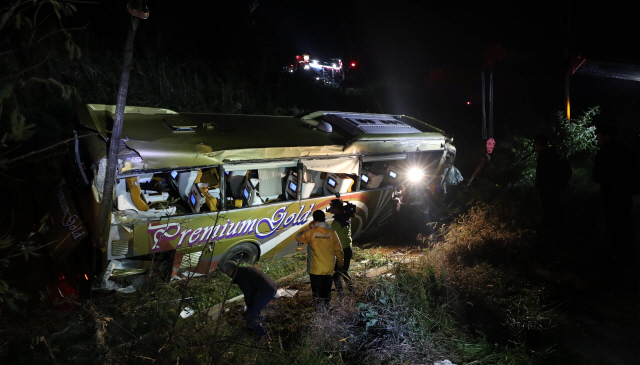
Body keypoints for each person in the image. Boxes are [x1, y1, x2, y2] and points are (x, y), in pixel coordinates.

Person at [592, 124, 638, 268]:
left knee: (611, 225)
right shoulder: (627, 151)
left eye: (599, 135)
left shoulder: (604, 152)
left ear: (607, 135)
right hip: (624, 195)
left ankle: (613, 258)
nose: (597, 138)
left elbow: (596, 176)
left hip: (609, 195)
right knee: (624, 224)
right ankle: (625, 255)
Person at [296, 210, 344, 305]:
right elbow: (339, 250)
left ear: (314, 220)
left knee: (316, 292)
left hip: (315, 269)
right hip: (328, 268)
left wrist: (308, 227)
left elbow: (298, 237)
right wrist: (340, 263)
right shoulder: (332, 232)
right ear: (324, 219)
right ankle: (326, 306)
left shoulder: (311, 232)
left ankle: (318, 308)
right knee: (326, 290)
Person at [219, 261, 278, 337]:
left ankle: (262, 334)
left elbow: (248, 292)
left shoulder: (240, 276)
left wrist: (249, 306)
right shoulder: (243, 271)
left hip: (266, 291)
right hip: (268, 288)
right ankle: (259, 319)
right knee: (254, 309)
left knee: (249, 316)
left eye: (227, 273)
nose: (227, 275)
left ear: (229, 271)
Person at [533, 134, 568, 236]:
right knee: (555, 210)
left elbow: (541, 174)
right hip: (555, 188)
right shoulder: (553, 154)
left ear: (538, 144)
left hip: (547, 189)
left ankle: (548, 233)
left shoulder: (544, 155)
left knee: (548, 211)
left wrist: (537, 187)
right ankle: (556, 232)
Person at [330, 199, 355, 296]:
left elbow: (330, 236)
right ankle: (352, 293)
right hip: (348, 249)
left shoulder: (336, 223)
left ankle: (341, 297)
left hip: (344, 251)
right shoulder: (346, 217)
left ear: (336, 208)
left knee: (337, 276)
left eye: (332, 207)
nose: (330, 208)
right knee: (344, 272)